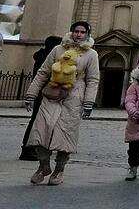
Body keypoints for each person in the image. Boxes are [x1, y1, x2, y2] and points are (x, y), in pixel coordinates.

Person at [23, 21, 99, 185]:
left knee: (65, 134)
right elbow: (43, 72)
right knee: (41, 130)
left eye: (82, 32)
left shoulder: (91, 54)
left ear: (87, 34)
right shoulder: (58, 49)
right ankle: (43, 166)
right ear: (71, 32)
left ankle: (59, 170)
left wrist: (88, 102)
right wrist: (31, 94)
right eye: (76, 31)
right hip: (52, 92)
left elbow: (93, 80)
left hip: (74, 97)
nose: (79, 35)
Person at [19, 36, 62, 161]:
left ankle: (35, 147)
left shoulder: (42, 56)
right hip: (44, 94)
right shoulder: (46, 59)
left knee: (41, 121)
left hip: (43, 93)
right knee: (37, 121)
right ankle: (28, 149)